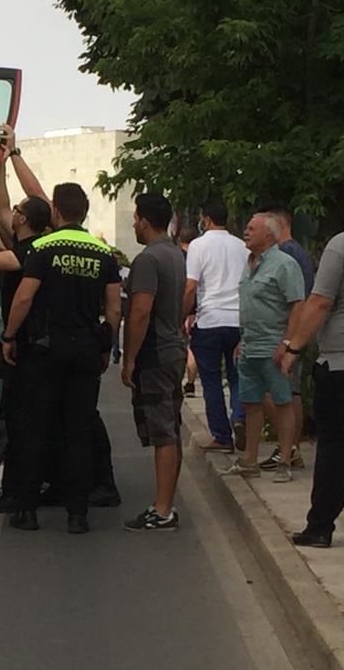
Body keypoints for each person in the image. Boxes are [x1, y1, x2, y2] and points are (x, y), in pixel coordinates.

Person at [1, 183, 123, 534]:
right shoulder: (102, 253)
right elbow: (114, 307)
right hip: (85, 349)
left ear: (56, 211)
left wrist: (9, 336)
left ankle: (26, 511)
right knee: (78, 430)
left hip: (45, 349)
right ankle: (78, 514)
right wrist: (105, 347)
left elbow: (24, 298)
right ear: (84, 213)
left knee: (36, 427)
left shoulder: (43, 247)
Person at [0, 123, 52, 513]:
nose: (11, 211)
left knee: (23, 421)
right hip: (30, 345)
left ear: (26, 220)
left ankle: (22, 491)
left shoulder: (31, 250)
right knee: (22, 417)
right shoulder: (26, 241)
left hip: (27, 344)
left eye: (18, 211)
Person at [281, 189, 344, 547]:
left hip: (341, 362)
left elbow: (320, 301)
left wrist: (294, 347)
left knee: (336, 447)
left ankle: (320, 526)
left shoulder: (341, 246)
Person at [121, 193, 187, 531]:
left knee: (162, 431)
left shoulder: (147, 260)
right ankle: (166, 502)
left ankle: (162, 510)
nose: (133, 223)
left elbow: (141, 311)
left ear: (145, 220)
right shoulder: (175, 253)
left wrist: (129, 358)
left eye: (135, 218)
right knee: (171, 426)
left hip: (156, 353)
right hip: (174, 347)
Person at [224, 214, 305, 481]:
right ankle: (249, 460)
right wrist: (241, 339)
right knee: (251, 403)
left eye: (251, 228)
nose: (245, 232)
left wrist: (287, 343)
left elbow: (297, 304)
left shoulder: (284, 264)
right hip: (250, 346)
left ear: (268, 235)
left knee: (282, 402)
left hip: (274, 347)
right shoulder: (249, 263)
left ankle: (285, 461)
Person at [184, 202, 247, 453]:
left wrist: (184, 313)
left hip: (210, 319)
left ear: (206, 219)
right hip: (239, 320)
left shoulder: (199, 245)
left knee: (210, 380)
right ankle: (240, 415)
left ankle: (222, 436)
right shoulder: (242, 246)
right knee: (237, 376)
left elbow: (191, 286)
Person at [257, 205, 315, 472]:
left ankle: (288, 448)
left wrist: (289, 341)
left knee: (280, 393)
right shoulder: (296, 253)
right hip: (293, 334)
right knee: (290, 392)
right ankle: (290, 448)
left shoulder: (287, 254)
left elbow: (297, 301)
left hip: (287, 335)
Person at [178, 226, 199, 397]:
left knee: (183, 347)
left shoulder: (177, 258)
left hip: (182, 307)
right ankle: (191, 383)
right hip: (197, 309)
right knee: (192, 348)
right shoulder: (197, 256)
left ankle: (181, 381)